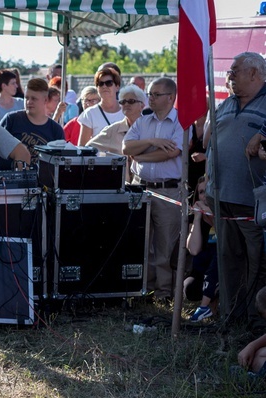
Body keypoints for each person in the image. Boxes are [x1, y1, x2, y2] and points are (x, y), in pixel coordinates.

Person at [215, 52, 266, 325]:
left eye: (235, 70)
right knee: (228, 260)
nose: (230, 75)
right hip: (222, 197)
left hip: (255, 202)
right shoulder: (228, 103)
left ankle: (256, 321)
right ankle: (230, 317)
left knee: (256, 263)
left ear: (254, 74)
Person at [123, 77, 183, 302]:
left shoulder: (179, 121)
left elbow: (171, 153)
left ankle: (163, 293)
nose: (151, 98)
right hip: (140, 188)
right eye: (149, 94)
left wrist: (140, 155)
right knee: (141, 242)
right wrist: (154, 140)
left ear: (170, 97)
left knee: (164, 245)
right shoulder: (142, 121)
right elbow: (125, 147)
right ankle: (143, 288)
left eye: (156, 94)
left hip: (168, 191)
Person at [0, 78, 64, 168]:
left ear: (45, 100)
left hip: (41, 181)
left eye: (34, 99)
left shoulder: (56, 130)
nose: (29, 102)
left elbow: (60, 163)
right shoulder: (11, 120)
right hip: (9, 178)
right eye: (27, 98)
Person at [86, 84, 145, 182]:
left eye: (131, 101)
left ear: (142, 105)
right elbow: (89, 148)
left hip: (149, 187)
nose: (126, 104)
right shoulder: (113, 130)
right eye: (123, 102)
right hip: (123, 190)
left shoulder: (151, 127)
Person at [185, 177, 218, 322]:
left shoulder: (224, 214)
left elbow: (225, 236)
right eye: (201, 192)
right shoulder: (198, 216)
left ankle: (206, 307)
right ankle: (208, 306)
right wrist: (198, 219)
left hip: (220, 271)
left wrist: (211, 215)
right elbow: (193, 250)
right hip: (201, 270)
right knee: (189, 287)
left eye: (207, 190)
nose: (204, 195)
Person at [78, 68, 123, 146]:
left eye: (109, 83)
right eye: (100, 84)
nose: (104, 86)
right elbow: (82, 147)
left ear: (117, 86)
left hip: (123, 157)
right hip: (99, 157)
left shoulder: (127, 111)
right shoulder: (89, 114)